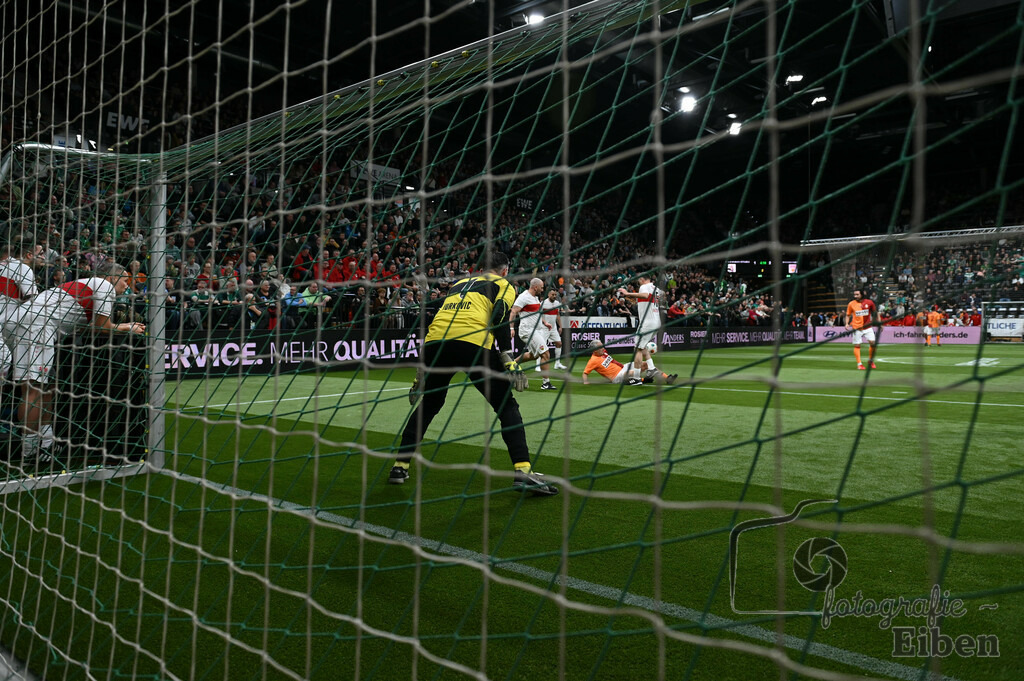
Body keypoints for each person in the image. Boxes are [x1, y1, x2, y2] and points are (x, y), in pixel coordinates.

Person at [392, 252, 556, 496]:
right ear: (504, 270)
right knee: (506, 406)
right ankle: (523, 472)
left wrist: (420, 374)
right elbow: (499, 316)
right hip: (472, 342)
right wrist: (508, 359)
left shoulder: (458, 284)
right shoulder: (503, 284)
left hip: (435, 344)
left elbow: (441, 318)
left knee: (430, 404)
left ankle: (399, 466)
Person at [1, 262, 145, 463]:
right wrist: (126, 327)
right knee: (34, 388)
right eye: (124, 280)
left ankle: (46, 443)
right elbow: (103, 326)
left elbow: (91, 326)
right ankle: (30, 450)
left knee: (47, 387)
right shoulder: (104, 287)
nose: (127, 286)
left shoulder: (86, 284)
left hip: (25, 322)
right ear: (112, 277)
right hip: (35, 325)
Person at [510, 277, 555, 391]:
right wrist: (511, 328)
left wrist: (544, 323)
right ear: (535, 287)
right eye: (541, 287)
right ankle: (546, 383)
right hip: (528, 330)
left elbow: (537, 313)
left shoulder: (535, 298)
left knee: (533, 355)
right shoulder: (524, 297)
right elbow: (513, 311)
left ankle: (511, 365)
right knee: (546, 354)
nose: (542, 288)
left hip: (536, 330)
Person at [617, 273, 661, 381]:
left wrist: (628, 293)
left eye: (638, 280)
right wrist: (631, 297)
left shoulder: (644, 287)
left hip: (647, 322)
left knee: (637, 349)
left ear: (642, 279)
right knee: (643, 346)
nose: (638, 282)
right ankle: (651, 368)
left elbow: (645, 295)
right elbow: (645, 300)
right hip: (656, 321)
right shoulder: (656, 288)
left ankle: (636, 378)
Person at [581, 340, 676, 385]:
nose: (603, 348)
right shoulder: (593, 360)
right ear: (594, 350)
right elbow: (585, 373)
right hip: (616, 377)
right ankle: (643, 380)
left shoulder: (603, 352)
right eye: (600, 347)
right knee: (633, 373)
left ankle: (667, 378)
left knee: (646, 364)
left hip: (623, 368)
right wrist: (586, 382)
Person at [844, 288, 878, 370]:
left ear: (862, 294)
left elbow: (875, 313)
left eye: (857, 294)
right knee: (857, 345)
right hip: (857, 327)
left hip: (868, 327)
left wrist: (879, 323)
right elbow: (848, 315)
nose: (855, 296)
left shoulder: (869, 302)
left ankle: (870, 360)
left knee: (873, 343)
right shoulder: (851, 304)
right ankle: (859, 364)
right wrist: (847, 323)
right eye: (854, 294)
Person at [538, 289, 568, 371]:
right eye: (553, 294)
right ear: (548, 295)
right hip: (544, 328)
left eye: (555, 295)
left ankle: (557, 364)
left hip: (553, 328)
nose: (554, 296)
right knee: (541, 346)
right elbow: (539, 315)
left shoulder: (557, 303)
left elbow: (557, 315)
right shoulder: (543, 303)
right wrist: (544, 322)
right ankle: (538, 365)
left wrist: (560, 326)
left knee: (559, 343)